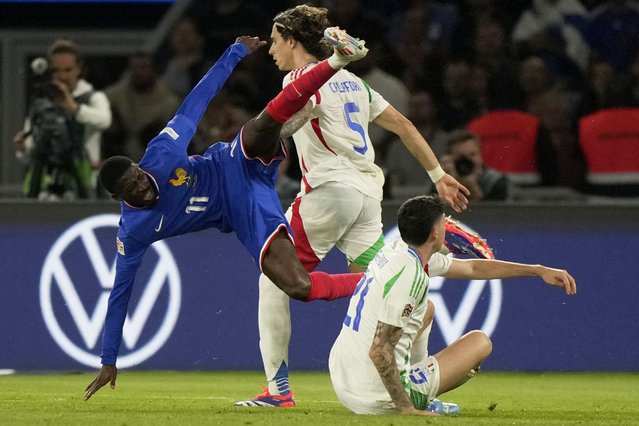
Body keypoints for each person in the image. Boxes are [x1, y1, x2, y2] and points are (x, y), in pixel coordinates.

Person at [83, 29, 370, 401]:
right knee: (297, 286)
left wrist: (234, 53)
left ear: (139, 166)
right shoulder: (133, 231)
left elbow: (196, 101)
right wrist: (109, 359)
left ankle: (336, 62)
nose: (142, 186)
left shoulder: (162, 153)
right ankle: (375, 280)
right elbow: (119, 294)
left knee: (261, 126)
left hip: (230, 163)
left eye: (138, 176)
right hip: (243, 208)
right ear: (117, 197)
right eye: (132, 189)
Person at [235, 4, 470, 407]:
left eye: (275, 41)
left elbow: (290, 117)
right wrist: (437, 175)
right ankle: (419, 391)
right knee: (387, 293)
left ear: (292, 41)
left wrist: (269, 131)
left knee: (272, 279)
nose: (271, 50)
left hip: (329, 193)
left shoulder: (300, 78)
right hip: (366, 198)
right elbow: (405, 125)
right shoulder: (353, 83)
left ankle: (277, 391)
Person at [329, 194, 577, 415]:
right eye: (442, 224)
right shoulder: (409, 276)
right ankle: (416, 398)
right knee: (480, 342)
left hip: (344, 382)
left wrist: (536, 270)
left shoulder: (397, 251)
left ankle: (413, 380)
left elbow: (472, 267)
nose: (447, 228)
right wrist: (406, 407)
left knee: (426, 309)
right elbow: (379, 351)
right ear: (434, 233)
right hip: (375, 398)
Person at [13, 39, 111, 200]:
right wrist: (22, 149)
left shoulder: (94, 97)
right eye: (56, 70)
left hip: (84, 179)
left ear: (79, 69)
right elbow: (29, 150)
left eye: (68, 69)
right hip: (46, 182)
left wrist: (74, 107)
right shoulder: (42, 101)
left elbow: (104, 120)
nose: (62, 75)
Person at [103, 52, 180, 162]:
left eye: (143, 67)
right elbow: (99, 99)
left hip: (156, 156)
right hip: (121, 153)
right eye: (134, 68)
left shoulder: (169, 101)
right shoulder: (119, 92)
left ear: (154, 70)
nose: (138, 73)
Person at [441, 130, 511, 202]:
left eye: (472, 154)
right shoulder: (445, 177)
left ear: (481, 155)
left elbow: (495, 211)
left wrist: (473, 187)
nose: (468, 161)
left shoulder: (494, 180)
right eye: (461, 157)